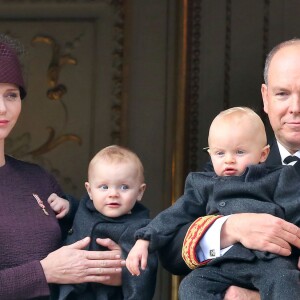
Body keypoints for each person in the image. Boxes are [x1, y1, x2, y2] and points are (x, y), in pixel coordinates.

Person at [159, 38, 300, 300]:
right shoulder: (231, 166)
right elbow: (170, 250)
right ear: (265, 98)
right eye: (282, 94)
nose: (295, 108)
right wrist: (230, 228)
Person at [126, 107, 300, 299]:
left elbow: (296, 211)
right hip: (223, 263)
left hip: (269, 261)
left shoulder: (278, 177)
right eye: (219, 153)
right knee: (191, 286)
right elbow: (175, 215)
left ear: (263, 154)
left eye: (240, 152)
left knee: (285, 280)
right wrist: (145, 239)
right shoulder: (204, 184)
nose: (229, 160)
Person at [0, 34, 124, 300]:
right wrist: (43, 273)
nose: (2, 108)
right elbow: (54, 271)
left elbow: (77, 266)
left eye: (11, 95)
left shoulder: (37, 180)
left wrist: (112, 270)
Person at [50, 145, 157, 300]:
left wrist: (128, 273)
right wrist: (67, 206)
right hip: (65, 291)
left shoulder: (141, 230)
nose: (113, 194)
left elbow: (145, 272)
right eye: (104, 187)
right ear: (89, 190)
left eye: (124, 187)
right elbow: (80, 209)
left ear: (140, 192)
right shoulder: (86, 207)